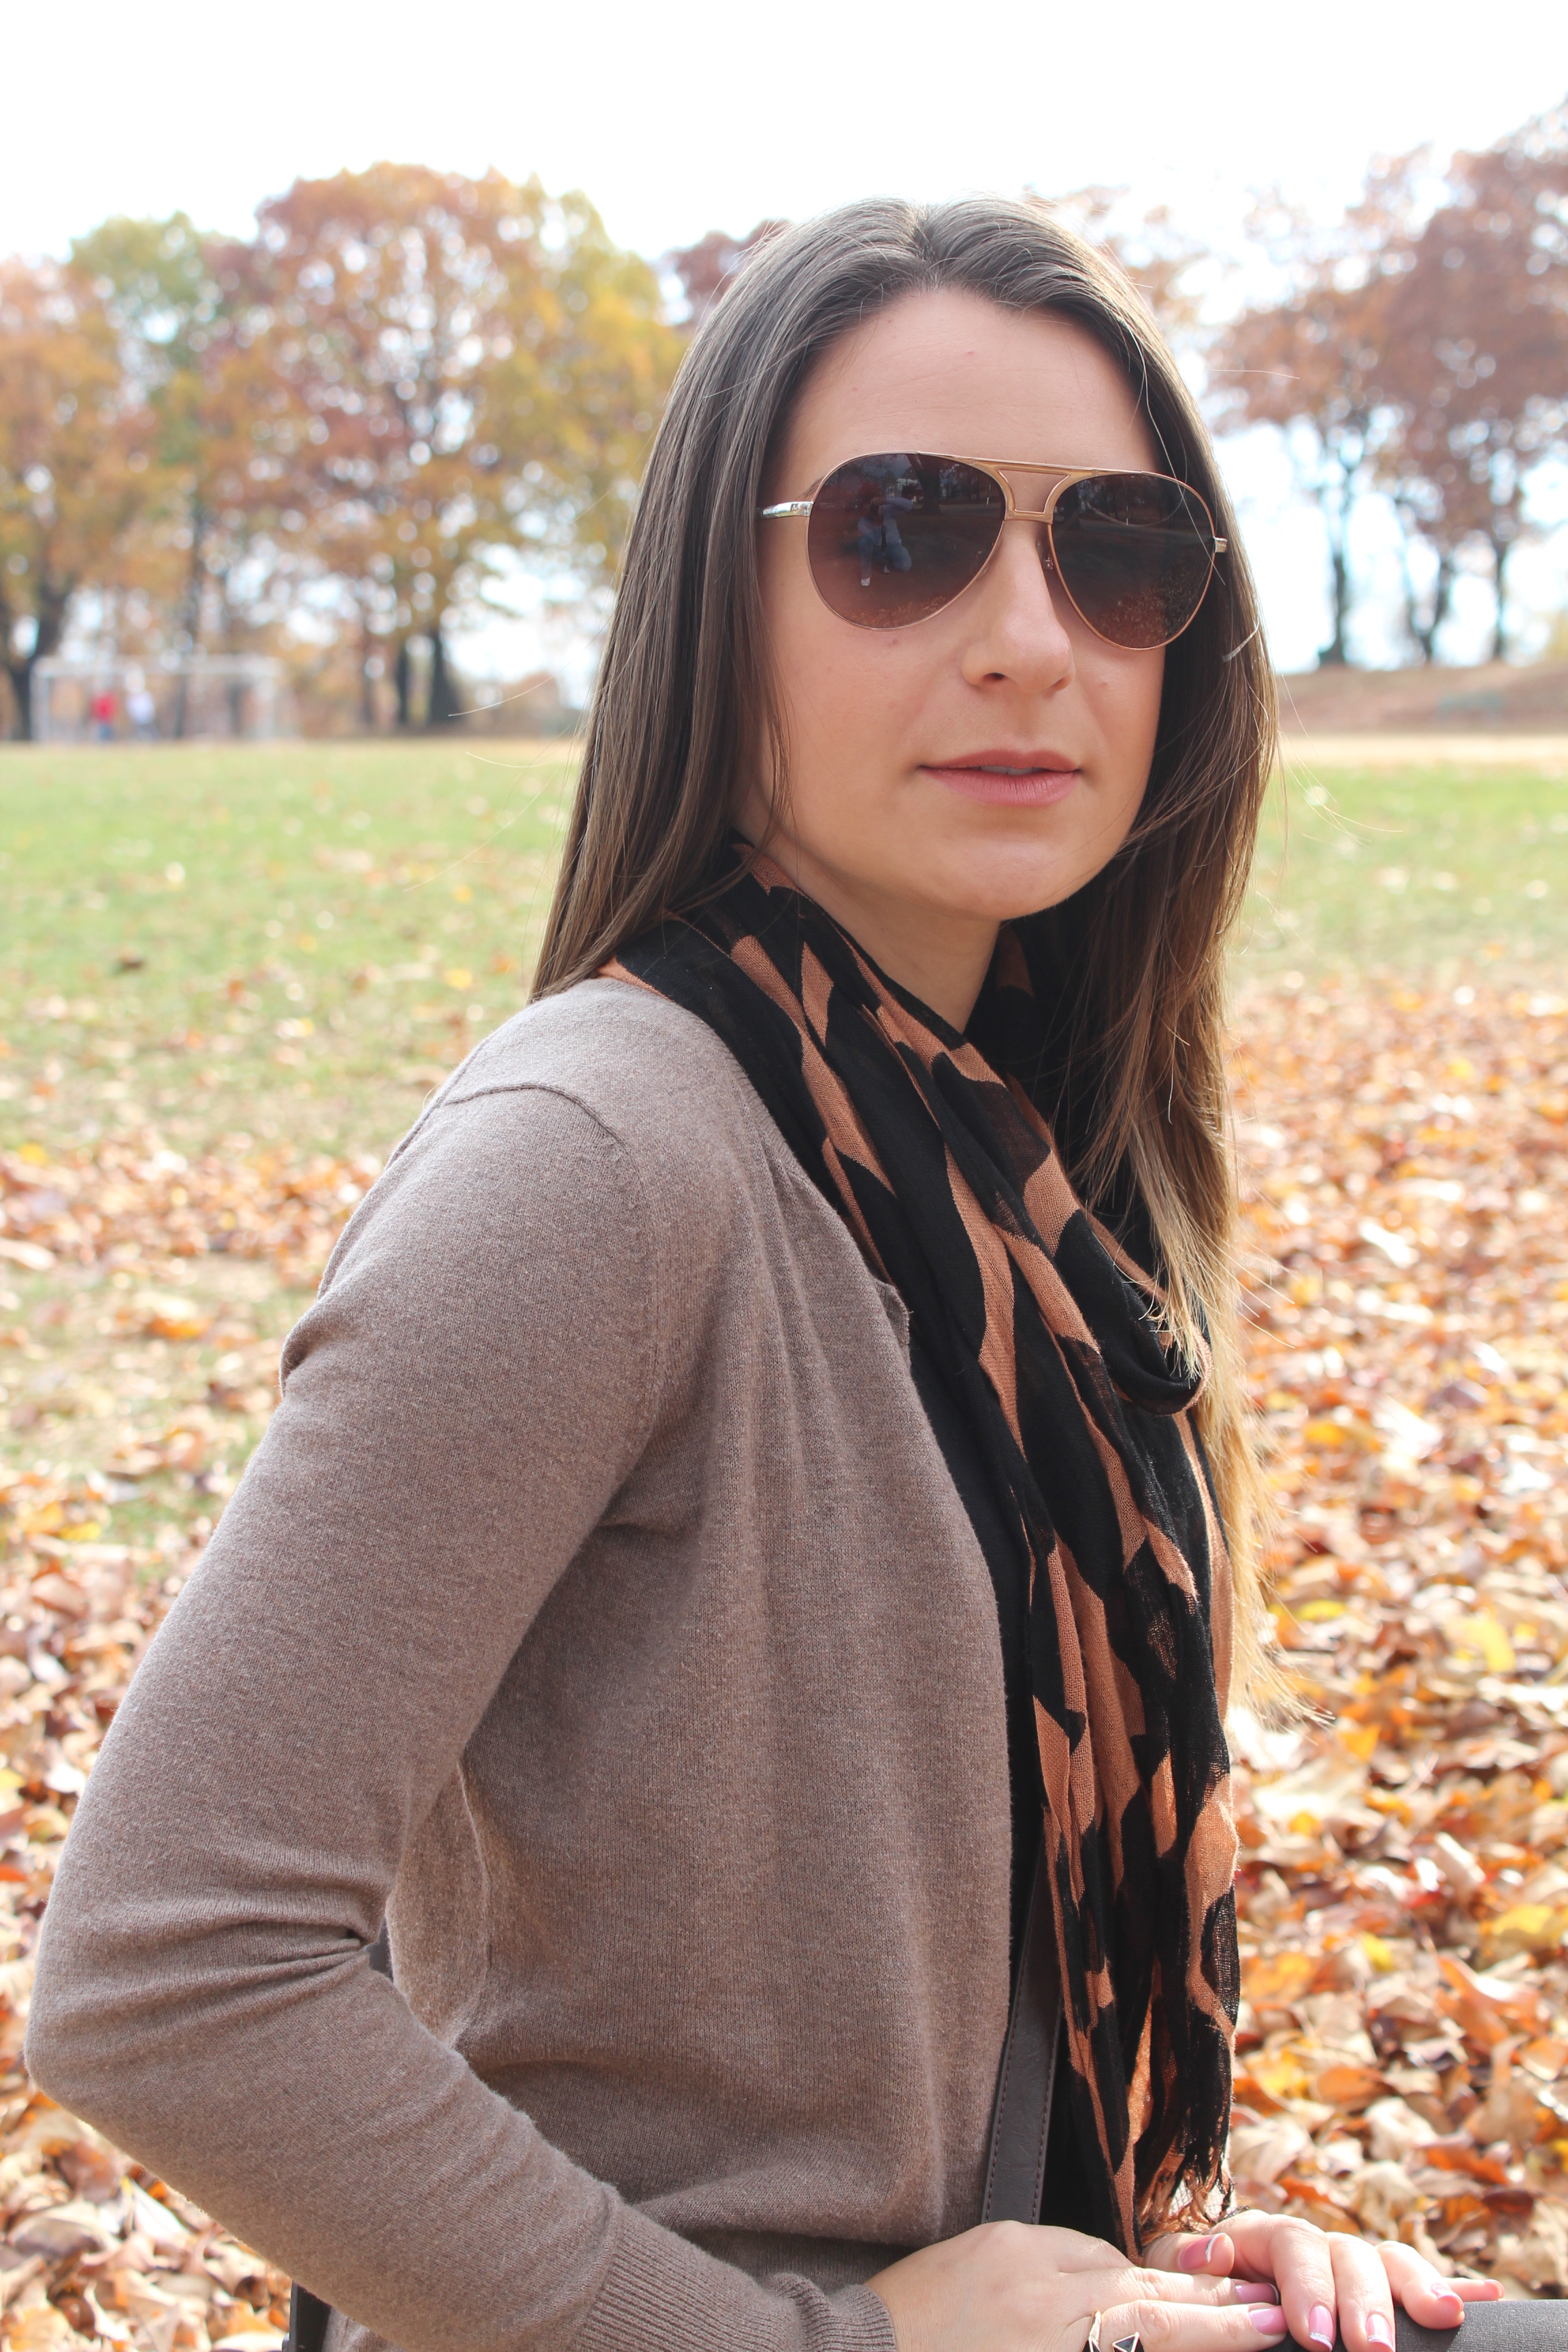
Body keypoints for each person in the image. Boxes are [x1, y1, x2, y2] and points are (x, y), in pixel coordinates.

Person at [24, 199, 1501, 2352]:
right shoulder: (601, 1160)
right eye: (905, 534)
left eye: (1116, 549)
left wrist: (1184, 2261)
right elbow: (165, 1972)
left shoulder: (1006, 1169)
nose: (1030, 637)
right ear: (716, 612)